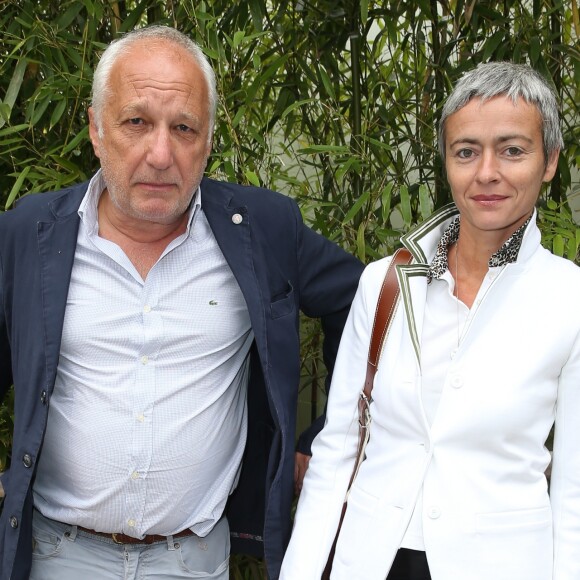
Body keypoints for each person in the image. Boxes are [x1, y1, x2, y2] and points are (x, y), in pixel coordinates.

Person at [0, 25, 363, 580]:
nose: (161, 153)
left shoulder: (261, 230)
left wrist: (325, 439)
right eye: (136, 122)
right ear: (97, 129)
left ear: (209, 139)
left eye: (184, 128)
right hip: (57, 555)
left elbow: (366, 303)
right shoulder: (28, 234)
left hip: (192, 559)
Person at [280, 61, 580, 580]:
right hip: (370, 561)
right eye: (466, 151)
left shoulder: (568, 297)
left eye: (513, 150)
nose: (487, 172)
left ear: (550, 161)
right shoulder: (386, 282)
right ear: (445, 161)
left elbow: (574, 491)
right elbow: (338, 448)